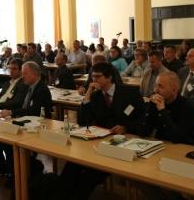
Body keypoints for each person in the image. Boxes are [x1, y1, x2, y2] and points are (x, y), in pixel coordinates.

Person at [60, 62, 144, 200]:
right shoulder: (96, 96)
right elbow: (83, 121)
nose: (94, 80)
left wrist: (126, 126)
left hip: (123, 142)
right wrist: (87, 94)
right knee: (71, 165)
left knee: (88, 176)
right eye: (93, 77)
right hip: (99, 141)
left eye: (98, 77)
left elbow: (143, 120)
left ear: (109, 77)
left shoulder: (129, 93)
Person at [0, 59, 28, 176]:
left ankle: (11, 169)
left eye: (14, 69)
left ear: (21, 70)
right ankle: (0, 165)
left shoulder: (23, 84)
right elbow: (0, 98)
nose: (11, 71)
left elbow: (17, 102)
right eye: (10, 68)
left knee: (3, 139)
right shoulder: (7, 83)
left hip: (10, 114)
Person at [138, 71, 194, 145]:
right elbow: (143, 132)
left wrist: (162, 111)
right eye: (155, 86)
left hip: (184, 148)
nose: (156, 90)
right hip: (162, 145)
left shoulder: (188, 107)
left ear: (174, 90)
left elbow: (177, 138)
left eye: (160, 86)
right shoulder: (155, 103)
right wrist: (150, 106)